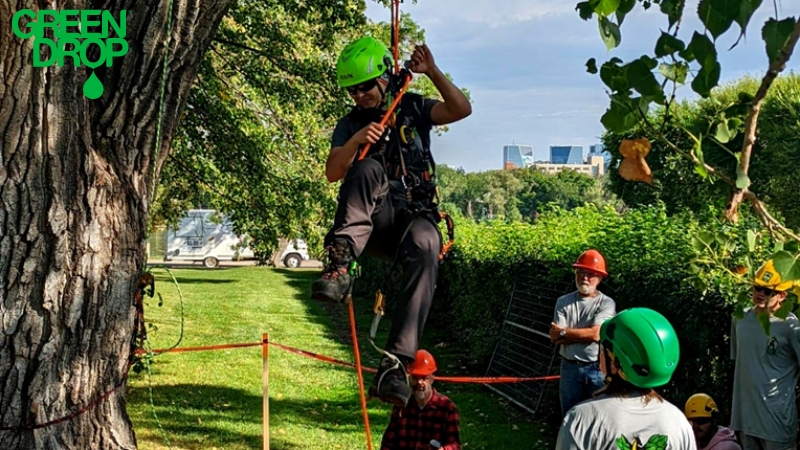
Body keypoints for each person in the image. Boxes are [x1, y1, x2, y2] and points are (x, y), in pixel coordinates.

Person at [309, 36, 471, 407]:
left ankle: (396, 364)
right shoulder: (350, 123)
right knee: (365, 168)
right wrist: (354, 144)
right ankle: (339, 268)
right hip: (374, 226)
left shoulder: (412, 108)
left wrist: (431, 71)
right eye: (351, 90)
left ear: (384, 76)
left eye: (365, 86)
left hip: (414, 220)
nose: (359, 95)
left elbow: (461, 109)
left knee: (428, 244)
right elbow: (334, 172)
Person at [556, 307, 696, 450]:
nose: (600, 354)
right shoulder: (678, 422)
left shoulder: (581, 419)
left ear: (617, 364)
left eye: (604, 349)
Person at [730, 260, 800, 450]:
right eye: (757, 287)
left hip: (777, 424)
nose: (760, 294)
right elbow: (742, 364)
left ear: (782, 295)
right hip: (745, 420)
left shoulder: (792, 327)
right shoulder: (740, 319)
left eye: (767, 291)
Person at [550, 249, 617, 417]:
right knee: (570, 417)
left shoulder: (607, 303)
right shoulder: (563, 301)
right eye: (580, 272)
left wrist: (564, 332)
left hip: (596, 369)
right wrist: (582, 334)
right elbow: (555, 338)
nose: (584, 277)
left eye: (590, 274)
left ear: (600, 278)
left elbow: (596, 334)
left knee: (598, 416)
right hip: (569, 368)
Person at [380, 349, 461, 450]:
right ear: (410, 379)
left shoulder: (447, 408)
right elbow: (389, 442)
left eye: (423, 378)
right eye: (415, 378)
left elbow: (455, 445)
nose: (419, 382)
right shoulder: (401, 406)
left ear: (432, 378)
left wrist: (444, 449)